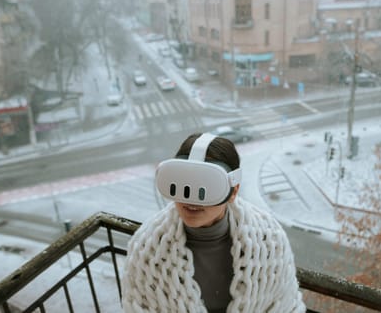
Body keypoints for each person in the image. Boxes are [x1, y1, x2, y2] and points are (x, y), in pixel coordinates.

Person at [122, 132, 306, 313]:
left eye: (206, 187)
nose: (191, 200)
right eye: (183, 184)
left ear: (233, 192)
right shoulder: (148, 250)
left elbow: (285, 305)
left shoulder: (269, 241)